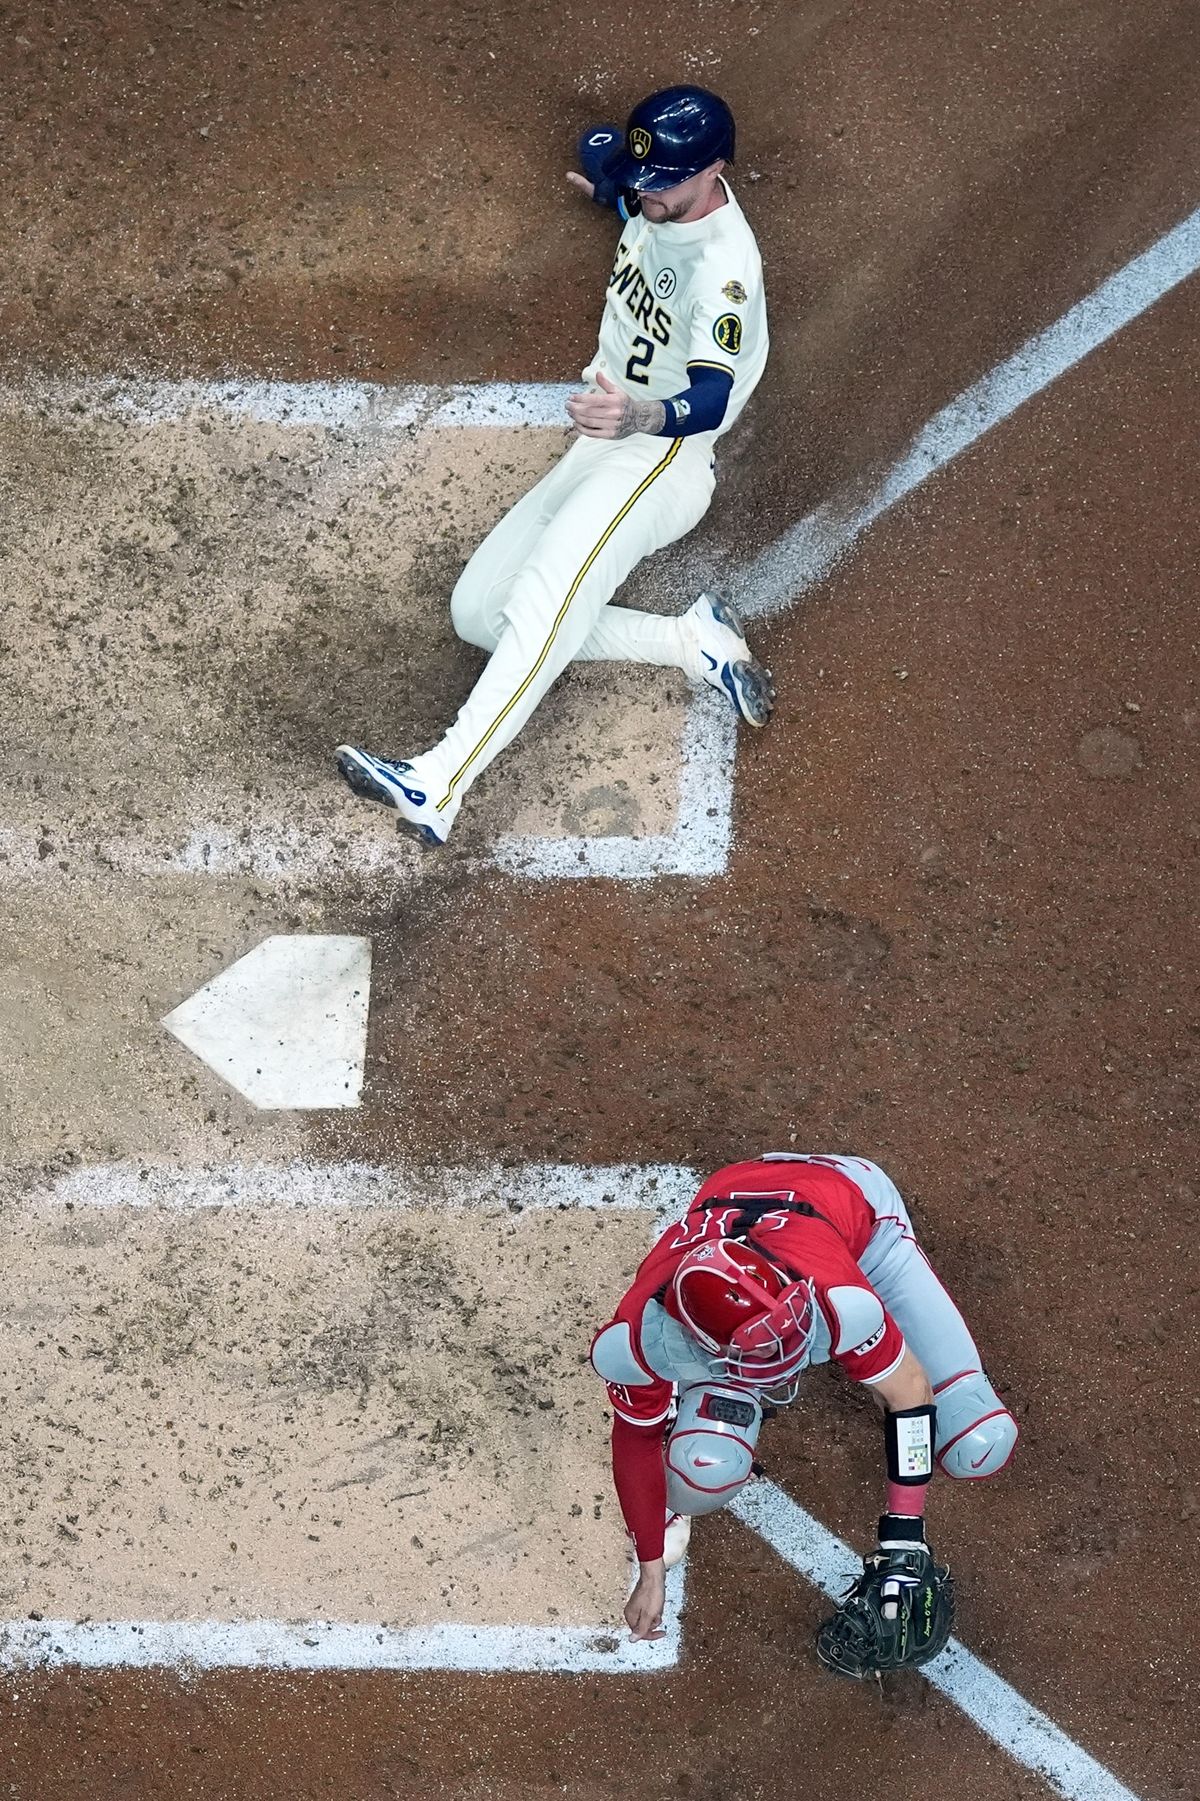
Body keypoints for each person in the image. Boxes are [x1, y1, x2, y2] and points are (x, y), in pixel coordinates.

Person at [335, 85, 774, 845]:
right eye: (643, 179)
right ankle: (691, 642)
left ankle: (437, 782)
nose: (646, 196)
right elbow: (618, 172)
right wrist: (611, 182)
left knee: (543, 599)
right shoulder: (655, 197)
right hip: (602, 445)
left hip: (661, 457)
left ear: (714, 172)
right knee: (480, 613)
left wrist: (639, 416)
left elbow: (710, 397)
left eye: (662, 184)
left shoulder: (724, 271)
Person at [590, 1152, 1018, 1674]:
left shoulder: (836, 1297)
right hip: (732, 1276)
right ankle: (682, 1483)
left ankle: (769, 1353)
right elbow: (634, 1441)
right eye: (771, 1352)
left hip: (856, 1221)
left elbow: (909, 1393)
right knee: (701, 1468)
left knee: (977, 1441)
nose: (790, 1354)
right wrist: (651, 1569)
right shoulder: (639, 1340)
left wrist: (904, 1537)